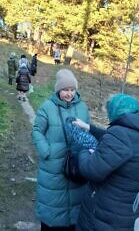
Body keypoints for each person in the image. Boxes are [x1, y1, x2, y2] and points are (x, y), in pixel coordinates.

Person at [72, 93, 139, 231]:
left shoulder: (119, 134)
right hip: (129, 214)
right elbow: (119, 140)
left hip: (105, 213)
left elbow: (91, 170)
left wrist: (84, 149)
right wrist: (89, 127)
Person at [31, 69, 90, 231]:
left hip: (76, 165)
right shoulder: (47, 107)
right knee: (53, 210)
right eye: (65, 90)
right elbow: (37, 131)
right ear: (58, 90)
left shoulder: (83, 108)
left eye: (72, 90)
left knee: (74, 211)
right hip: (53, 167)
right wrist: (46, 151)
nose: (69, 94)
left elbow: (87, 132)